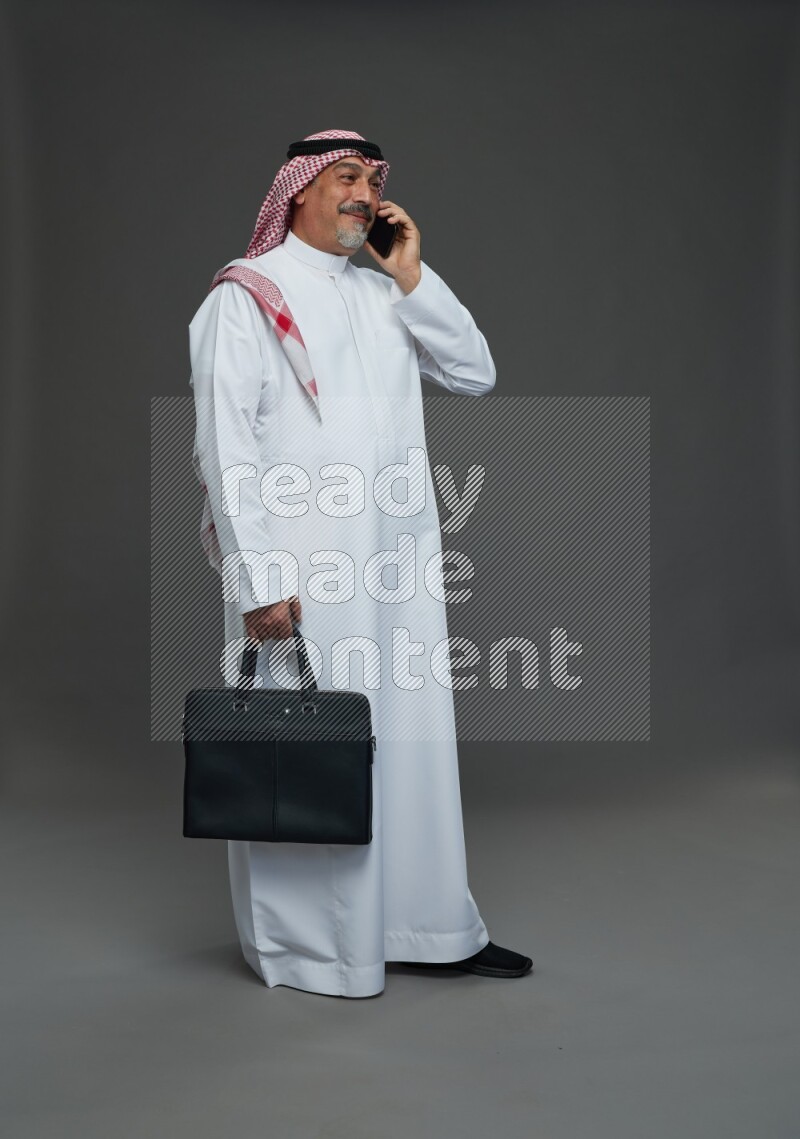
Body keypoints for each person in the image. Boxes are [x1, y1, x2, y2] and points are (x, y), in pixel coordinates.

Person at [188, 128, 532, 997]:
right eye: (346, 178)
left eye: (373, 182)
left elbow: (475, 371)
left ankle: (427, 928)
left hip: (397, 563)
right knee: (311, 747)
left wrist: (410, 273)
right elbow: (226, 448)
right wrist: (257, 583)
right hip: (306, 572)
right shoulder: (247, 296)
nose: (365, 195)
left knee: (408, 745)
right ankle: (317, 952)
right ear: (296, 190)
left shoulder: (386, 296)